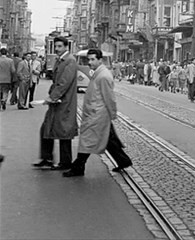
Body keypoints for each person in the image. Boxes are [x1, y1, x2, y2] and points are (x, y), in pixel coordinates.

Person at [63, 49, 132, 177]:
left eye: (93, 59)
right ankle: (123, 161)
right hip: (95, 113)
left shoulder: (104, 75)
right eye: (88, 59)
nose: (90, 62)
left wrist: (112, 113)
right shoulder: (98, 73)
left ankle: (78, 166)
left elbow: (109, 97)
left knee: (88, 141)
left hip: (98, 114)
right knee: (108, 139)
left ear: (100, 60)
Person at [33, 37, 78, 170]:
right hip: (57, 102)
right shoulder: (60, 60)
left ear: (66, 47)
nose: (57, 49)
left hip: (64, 103)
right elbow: (56, 82)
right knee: (46, 128)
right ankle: (47, 158)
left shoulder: (70, 61)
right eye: (56, 46)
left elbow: (64, 83)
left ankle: (65, 162)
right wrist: (51, 96)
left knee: (64, 132)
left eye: (59, 46)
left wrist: (52, 97)